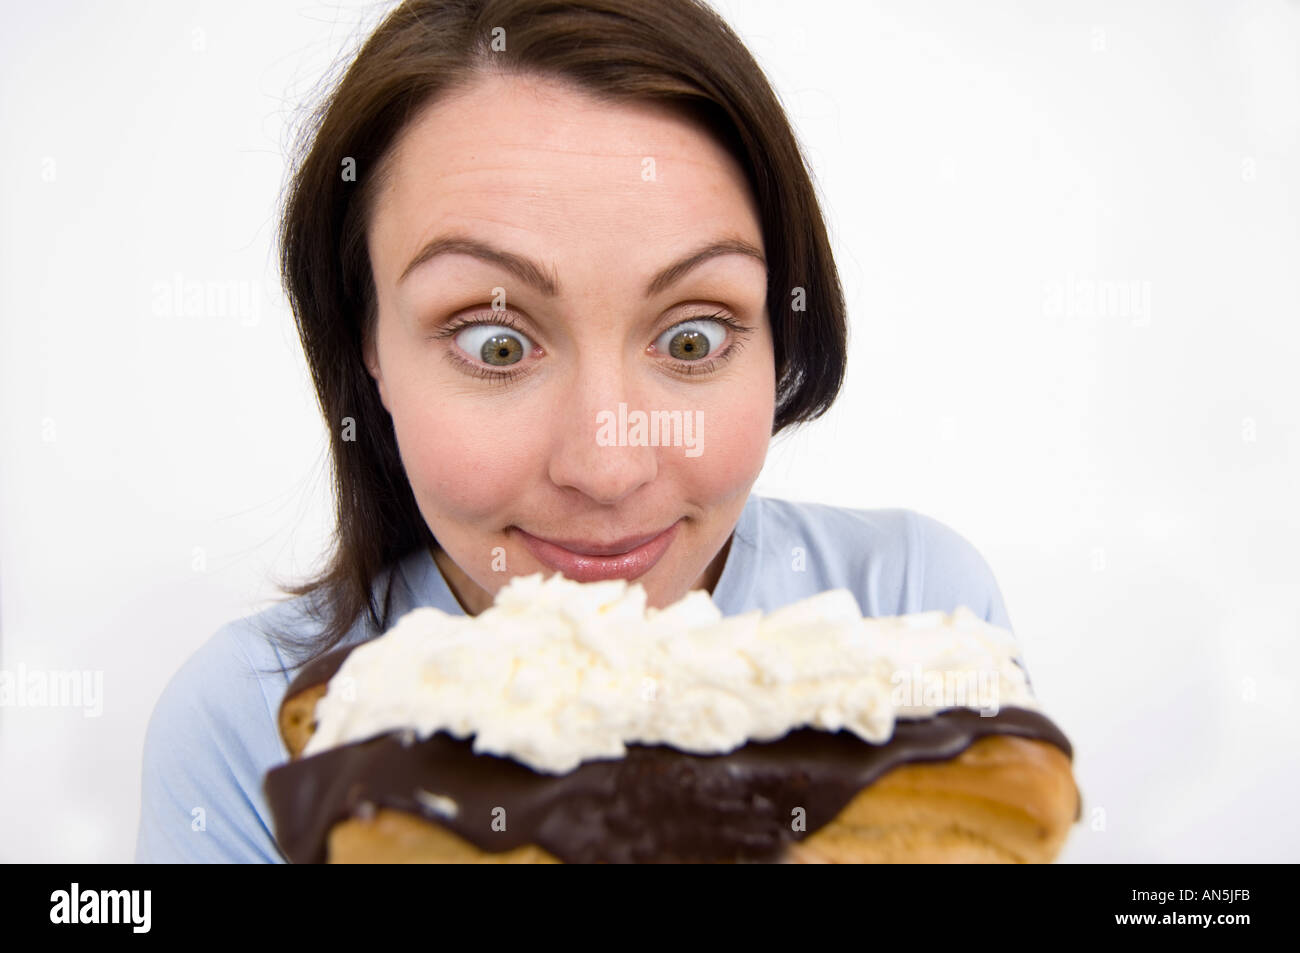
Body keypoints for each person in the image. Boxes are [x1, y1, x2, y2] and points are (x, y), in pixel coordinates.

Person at [135, 0, 1013, 863]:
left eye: (692, 337)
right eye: (496, 343)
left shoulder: (913, 608)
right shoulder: (248, 726)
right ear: (368, 344)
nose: (607, 464)